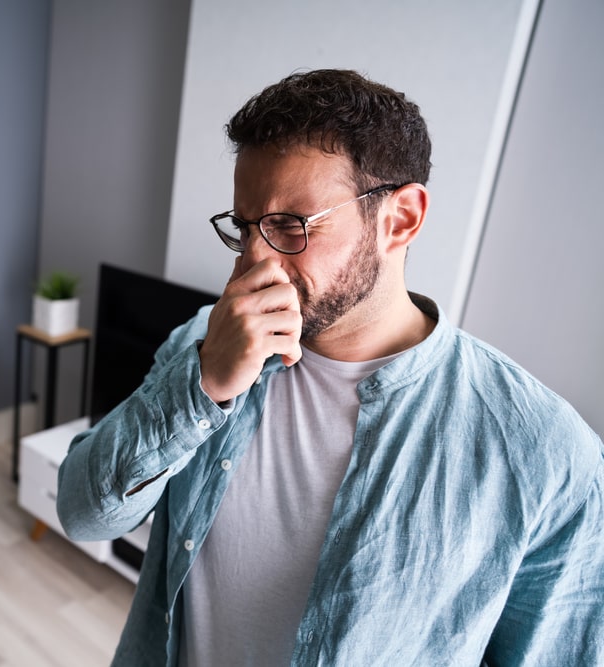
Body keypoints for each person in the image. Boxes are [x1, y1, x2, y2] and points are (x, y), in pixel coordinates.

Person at [56, 69, 604, 666]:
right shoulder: (204, 341)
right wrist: (203, 384)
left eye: (291, 225)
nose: (254, 260)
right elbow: (84, 514)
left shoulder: (546, 454)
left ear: (401, 219)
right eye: (244, 227)